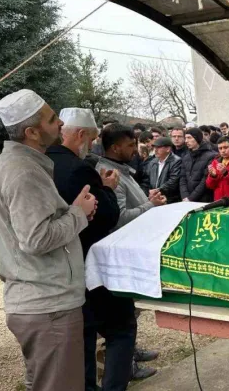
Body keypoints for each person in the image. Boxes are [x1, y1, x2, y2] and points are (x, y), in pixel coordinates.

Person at [0, 90, 97, 391]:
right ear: (32, 132)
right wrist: (78, 213)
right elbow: (37, 239)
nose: (61, 123)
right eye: (52, 119)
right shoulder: (23, 172)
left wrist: (73, 211)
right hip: (48, 304)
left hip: (38, 301)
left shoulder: (11, 165)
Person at [46, 108, 134, 391]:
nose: (94, 145)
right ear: (81, 134)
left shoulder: (42, 162)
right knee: (121, 328)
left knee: (81, 339)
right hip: (89, 262)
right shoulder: (80, 169)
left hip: (56, 268)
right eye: (93, 139)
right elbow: (105, 216)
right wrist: (107, 188)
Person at [96, 124, 166, 380]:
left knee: (128, 312)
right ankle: (125, 366)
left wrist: (147, 199)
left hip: (129, 248)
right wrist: (150, 205)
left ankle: (131, 352)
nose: (135, 149)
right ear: (115, 148)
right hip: (120, 251)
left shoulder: (121, 169)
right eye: (129, 145)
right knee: (120, 318)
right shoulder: (109, 174)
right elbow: (119, 217)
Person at [179, 128, 217, 203]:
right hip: (186, 200)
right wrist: (185, 196)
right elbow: (182, 178)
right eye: (185, 138)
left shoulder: (211, 156)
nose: (186, 141)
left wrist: (191, 198)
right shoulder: (186, 157)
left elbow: (205, 180)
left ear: (197, 138)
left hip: (204, 199)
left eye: (189, 138)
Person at [143, 137, 182, 204]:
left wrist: (157, 190)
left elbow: (173, 181)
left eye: (158, 147)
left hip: (170, 200)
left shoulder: (176, 161)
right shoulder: (152, 162)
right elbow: (146, 181)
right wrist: (147, 192)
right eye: (155, 147)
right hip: (153, 199)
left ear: (168, 149)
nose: (155, 150)